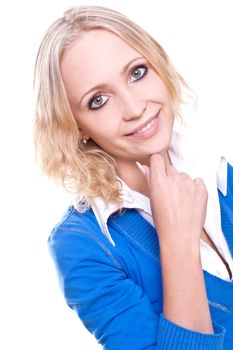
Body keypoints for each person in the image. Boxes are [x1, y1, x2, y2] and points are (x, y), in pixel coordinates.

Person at [34, 5, 233, 349]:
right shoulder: (82, 246)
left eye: (137, 72)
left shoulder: (216, 168)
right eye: (98, 100)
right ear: (76, 125)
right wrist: (177, 245)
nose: (135, 107)